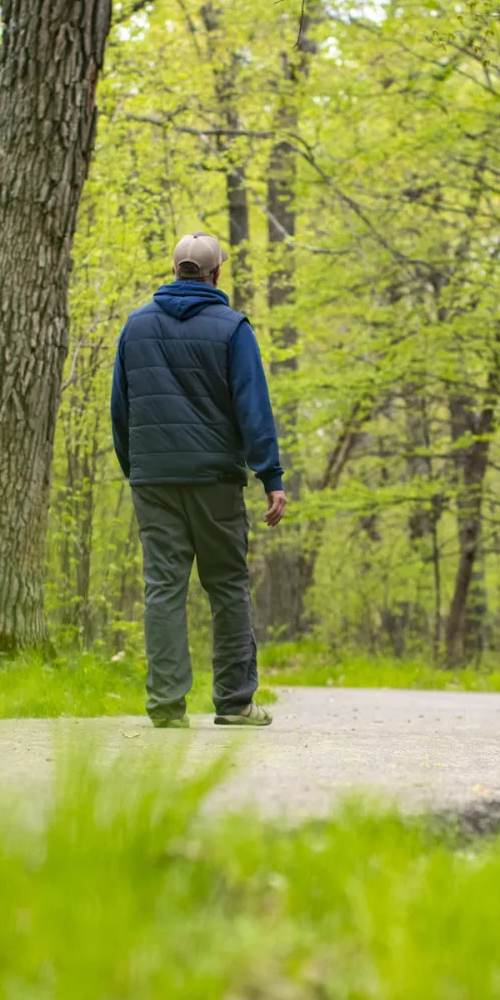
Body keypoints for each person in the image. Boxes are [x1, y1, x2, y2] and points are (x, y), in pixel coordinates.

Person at [110, 232, 290, 728]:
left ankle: (167, 707)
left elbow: (120, 410)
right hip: (214, 480)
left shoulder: (135, 327)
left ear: (174, 271)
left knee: (163, 587)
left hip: (155, 481)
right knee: (228, 585)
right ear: (215, 275)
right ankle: (234, 703)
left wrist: (138, 469)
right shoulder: (233, 329)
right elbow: (253, 408)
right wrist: (270, 476)